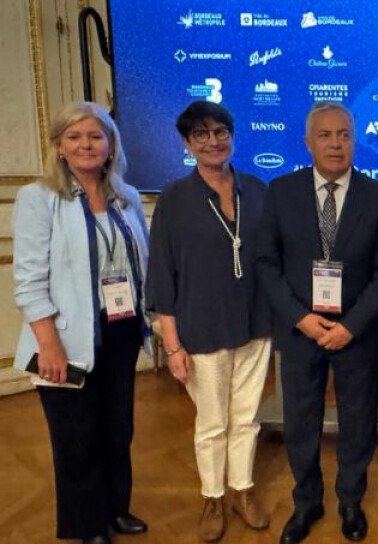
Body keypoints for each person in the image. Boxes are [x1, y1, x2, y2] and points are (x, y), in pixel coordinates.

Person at [256, 101, 378, 543]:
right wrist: (301, 318)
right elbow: (266, 264)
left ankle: (350, 501)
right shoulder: (281, 192)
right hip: (301, 330)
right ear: (308, 143)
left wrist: (351, 325)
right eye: (325, 135)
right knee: (301, 422)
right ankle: (307, 502)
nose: (336, 144)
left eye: (344, 135)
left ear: (354, 141)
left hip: (356, 332)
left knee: (359, 421)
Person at [12, 102, 151, 544]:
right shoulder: (38, 198)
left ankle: (116, 509)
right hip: (66, 338)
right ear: (59, 146)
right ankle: (86, 525)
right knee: (76, 437)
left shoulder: (126, 198)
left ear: (110, 146)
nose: (86, 145)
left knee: (117, 429)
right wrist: (49, 344)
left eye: (95, 136)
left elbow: (142, 267)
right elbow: (29, 280)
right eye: (74, 137)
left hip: (121, 331)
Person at [146, 101, 272, 542]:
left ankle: (243, 490)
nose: (213, 141)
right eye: (201, 134)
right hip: (201, 327)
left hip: (256, 322)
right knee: (213, 421)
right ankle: (213, 497)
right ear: (187, 143)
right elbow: (161, 275)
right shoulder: (174, 199)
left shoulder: (257, 189)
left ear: (232, 136)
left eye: (220, 131)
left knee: (247, 417)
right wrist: (172, 345)